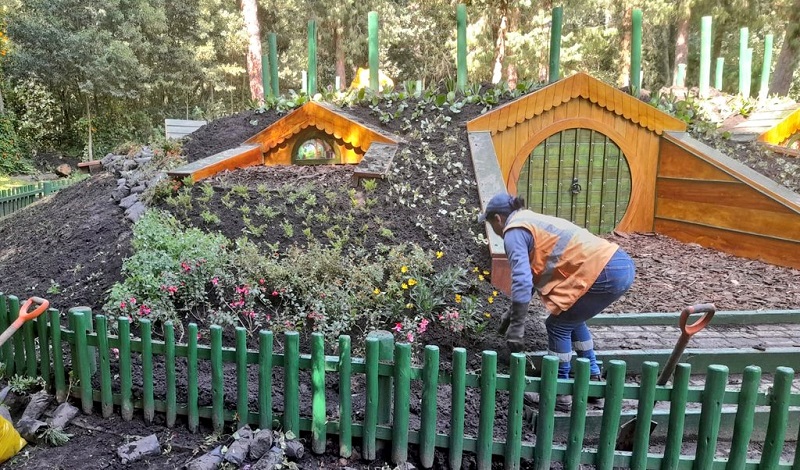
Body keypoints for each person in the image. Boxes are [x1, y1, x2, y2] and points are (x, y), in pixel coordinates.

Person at [479, 192, 635, 412]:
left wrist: (516, 328)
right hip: (619, 264)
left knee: (558, 325)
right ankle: (593, 382)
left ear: (498, 219)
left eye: (489, 222)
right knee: (572, 318)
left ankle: (559, 394)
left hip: (604, 271)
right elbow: (535, 274)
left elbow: (522, 280)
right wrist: (512, 312)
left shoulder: (513, 232)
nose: (493, 230)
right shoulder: (531, 222)